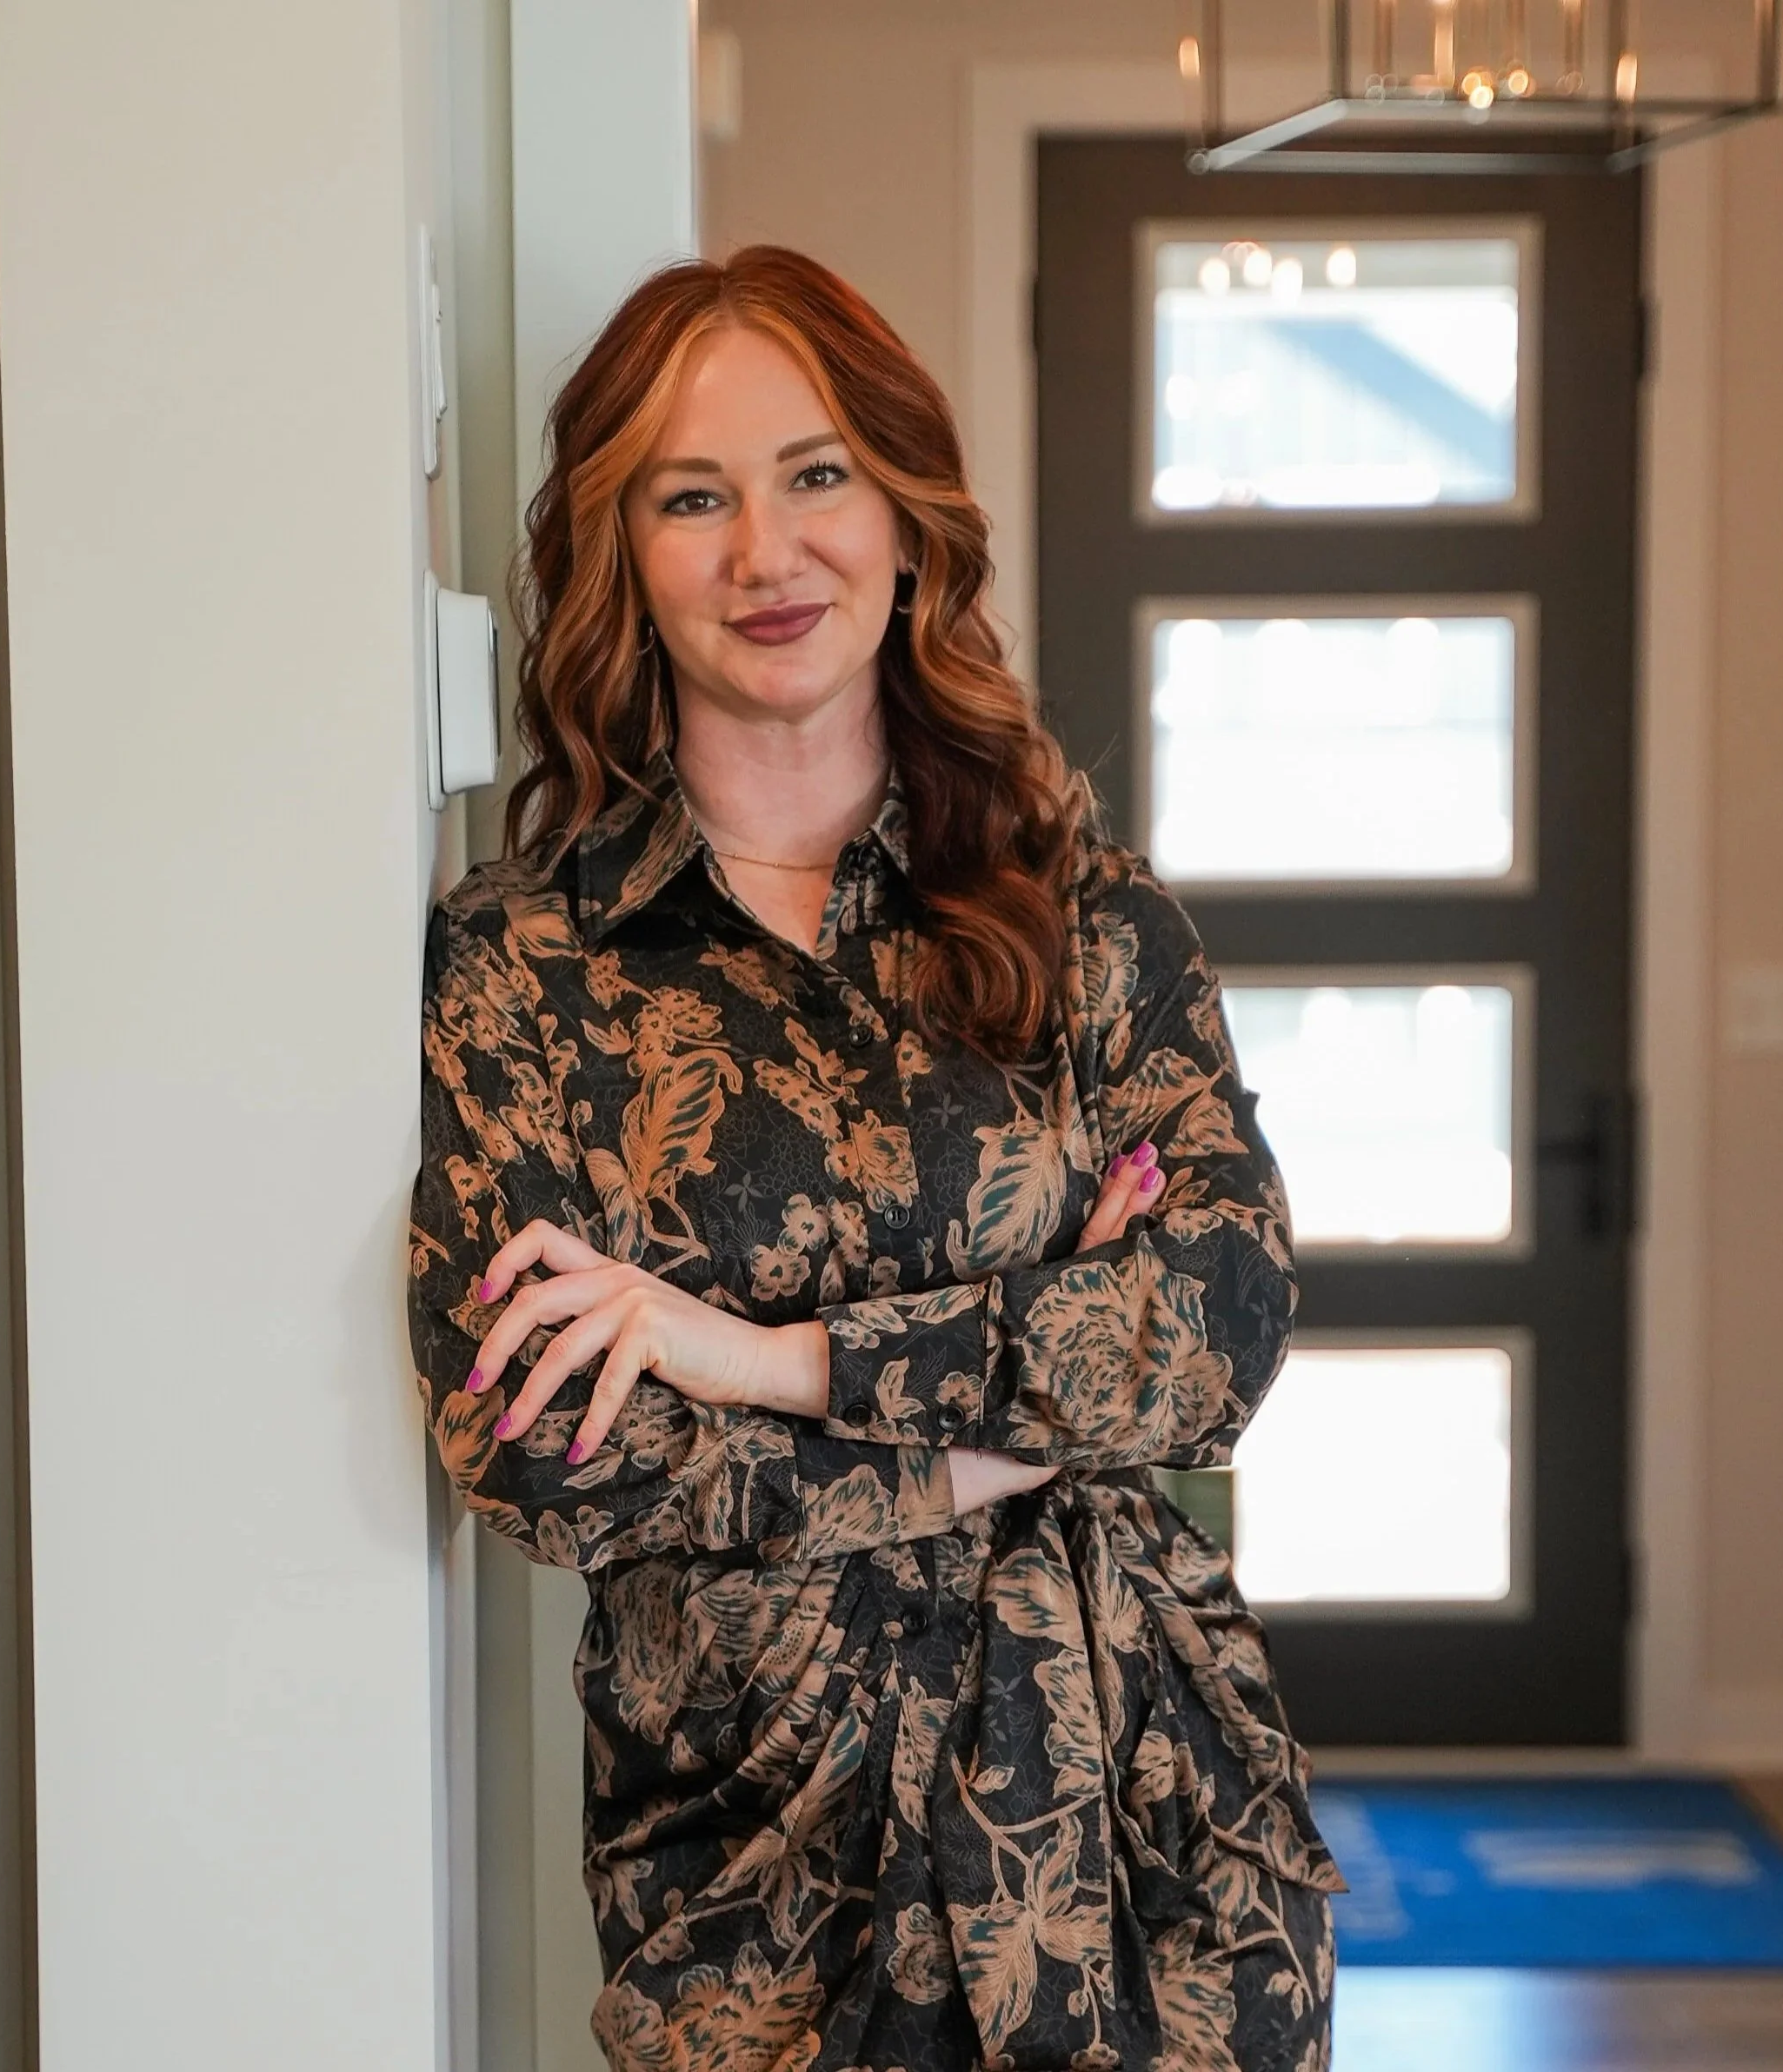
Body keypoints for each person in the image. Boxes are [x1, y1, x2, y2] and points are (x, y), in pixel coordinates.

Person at [408, 244, 1340, 2072]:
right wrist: (1008, 1423)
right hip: (755, 1892)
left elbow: (1220, 1319)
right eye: (695, 498)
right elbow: (538, 1452)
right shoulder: (522, 965)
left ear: (905, 519)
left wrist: (755, 1356)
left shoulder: (1089, 920)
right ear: (622, 556)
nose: (768, 553)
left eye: (816, 473)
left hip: (1145, 1857)